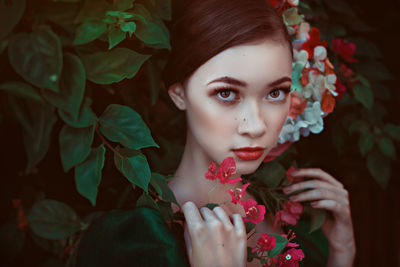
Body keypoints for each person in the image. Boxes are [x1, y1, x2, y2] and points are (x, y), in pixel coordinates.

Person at [75, 0, 355, 266]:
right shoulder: (134, 245)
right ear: (179, 94)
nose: (256, 126)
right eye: (226, 93)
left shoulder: (295, 223)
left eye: (275, 92)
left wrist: (341, 254)